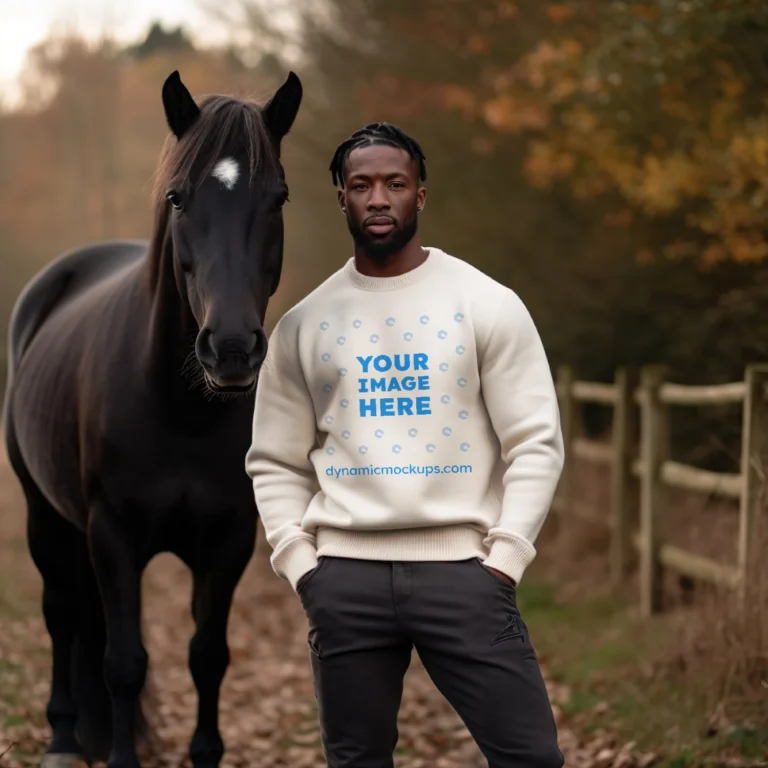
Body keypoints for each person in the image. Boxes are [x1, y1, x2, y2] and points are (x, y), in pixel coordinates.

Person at [245, 122, 566, 768]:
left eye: (396, 183)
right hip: (345, 582)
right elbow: (274, 461)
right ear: (340, 197)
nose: (379, 198)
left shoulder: (486, 304)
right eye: (361, 185)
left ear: (421, 195)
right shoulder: (303, 326)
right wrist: (303, 567)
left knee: (533, 759)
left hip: (466, 577)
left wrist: (505, 560)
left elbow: (535, 442)